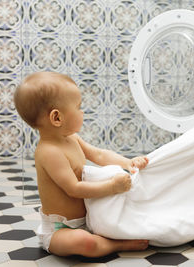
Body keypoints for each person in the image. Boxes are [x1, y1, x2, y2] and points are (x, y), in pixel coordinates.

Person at [14, 72, 149, 257]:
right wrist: (113, 187)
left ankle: (108, 234)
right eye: (78, 107)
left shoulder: (71, 138)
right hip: (60, 230)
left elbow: (99, 155)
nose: (82, 112)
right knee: (84, 243)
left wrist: (127, 162)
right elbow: (74, 189)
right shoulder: (49, 152)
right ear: (57, 118)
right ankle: (116, 245)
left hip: (88, 219)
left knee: (127, 209)